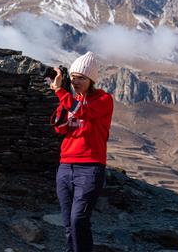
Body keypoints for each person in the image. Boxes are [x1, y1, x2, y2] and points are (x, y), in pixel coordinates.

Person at [49, 51, 113, 252]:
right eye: (73, 77)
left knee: (79, 219)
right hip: (66, 166)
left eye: (81, 78)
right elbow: (59, 128)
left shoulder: (103, 99)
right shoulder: (70, 99)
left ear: (91, 79)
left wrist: (62, 93)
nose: (75, 82)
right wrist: (63, 97)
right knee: (68, 223)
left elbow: (84, 111)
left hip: (90, 167)